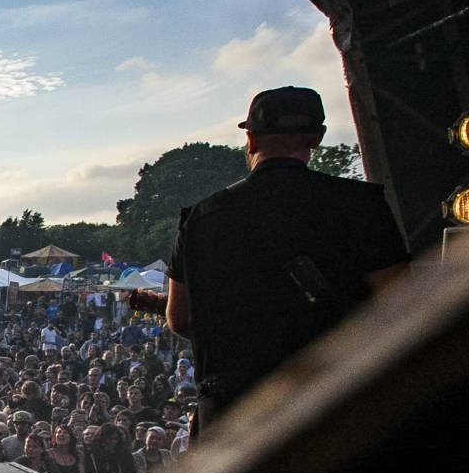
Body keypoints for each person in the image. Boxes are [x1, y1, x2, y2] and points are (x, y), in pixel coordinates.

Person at [166, 87, 410, 436]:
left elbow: (179, 318)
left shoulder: (201, 218)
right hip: (336, 400)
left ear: (250, 140)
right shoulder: (360, 204)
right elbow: (401, 299)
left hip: (233, 411)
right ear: (316, 138)